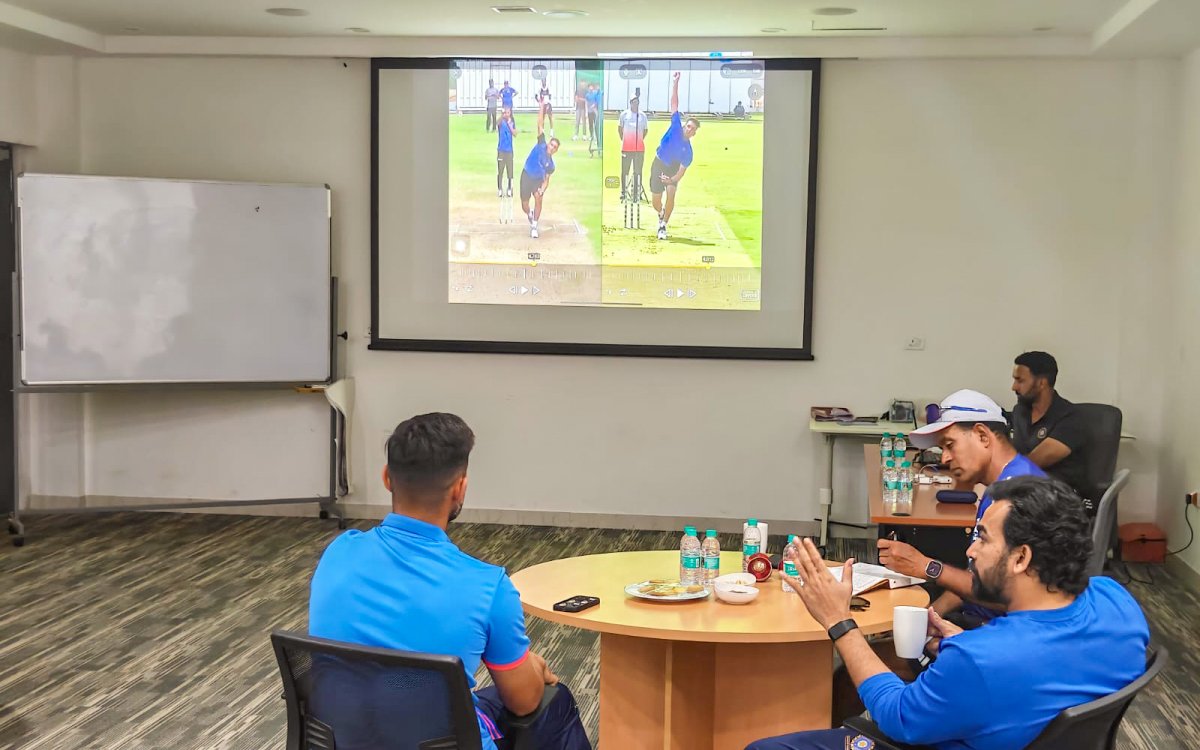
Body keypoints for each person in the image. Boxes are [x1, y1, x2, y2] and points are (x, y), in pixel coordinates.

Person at [746, 475, 1149, 750]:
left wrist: (839, 621)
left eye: (983, 539)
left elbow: (896, 716)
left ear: (1021, 558)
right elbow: (1047, 666)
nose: (971, 550)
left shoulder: (982, 660)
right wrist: (965, 645)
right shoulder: (1115, 600)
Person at [309, 413, 591, 750]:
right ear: (460, 487)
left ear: (386, 478)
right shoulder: (488, 587)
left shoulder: (339, 552)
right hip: (439, 738)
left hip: (345, 738)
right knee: (553, 701)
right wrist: (531, 665)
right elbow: (524, 702)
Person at [878, 389, 1046, 627]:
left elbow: (1013, 596)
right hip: (978, 617)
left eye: (950, 445)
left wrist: (927, 567)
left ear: (982, 436)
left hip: (1003, 632)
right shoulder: (1001, 484)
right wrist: (931, 617)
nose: (944, 458)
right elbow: (974, 578)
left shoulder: (1018, 496)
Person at [1010, 351, 1093, 505]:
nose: (1013, 387)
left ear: (1042, 383)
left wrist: (1000, 472)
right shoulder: (1020, 412)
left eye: (1020, 380)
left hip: (1061, 500)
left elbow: (1035, 462)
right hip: (1027, 493)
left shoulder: (1071, 418)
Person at [650, 71, 700, 241]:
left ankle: (663, 225)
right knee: (656, 202)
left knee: (671, 194)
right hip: (658, 163)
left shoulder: (688, 152)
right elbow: (674, 103)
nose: (689, 129)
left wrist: (670, 180)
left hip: (672, 169)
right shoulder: (676, 125)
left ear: (694, 133)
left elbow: (681, 172)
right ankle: (661, 213)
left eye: (692, 129)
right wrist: (675, 82)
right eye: (689, 126)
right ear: (685, 126)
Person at [519, 103, 559, 239]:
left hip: (537, 180)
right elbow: (540, 123)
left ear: (556, 150)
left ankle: (534, 225)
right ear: (548, 144)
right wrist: (542, 106)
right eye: (551, 144)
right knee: (524, 205)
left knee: (539, 198)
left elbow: (546, 180)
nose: (552, 147)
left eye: (555, 147)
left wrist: (542, 189)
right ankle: (529, 214)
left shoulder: (551, 165)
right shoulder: (541, 143)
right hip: (526, 175)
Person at [618, 96, 649, 203]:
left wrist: (638, 140)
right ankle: (623, 192)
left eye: (637, 103)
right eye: (633, 102)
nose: (635, 105)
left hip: (639, 149)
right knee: (625, 171)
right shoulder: (624, 115)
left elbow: (645, 130)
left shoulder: (642, 116)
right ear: (630, 103)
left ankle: (636, 192)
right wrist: (625, 140)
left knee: (638, 171)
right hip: (626, 148)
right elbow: (620, 129)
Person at [496, 108, 518, 198]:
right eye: (505, 112)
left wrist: (509, 124)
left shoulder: (512, 122)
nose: (506, 114)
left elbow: (515, 134)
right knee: (500, 170)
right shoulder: (501, 122)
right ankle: (500, 189)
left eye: (508, 112)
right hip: (501, 150)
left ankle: (509, 188)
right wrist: (502, 115)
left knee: (510, 171)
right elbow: (497, 123)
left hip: (509, 150)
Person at [585, 82, 603, 155]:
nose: (591, 88)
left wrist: (595, 107)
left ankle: (598, 140)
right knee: (591, 125)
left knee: (597, 127)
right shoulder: (587, 95)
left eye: (592, 87)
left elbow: (597, 102)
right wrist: (587, 111)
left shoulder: (597, 93)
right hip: (590, 112)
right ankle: (592, 136)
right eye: (590, 87)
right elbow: (587, 103)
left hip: (595, 112)